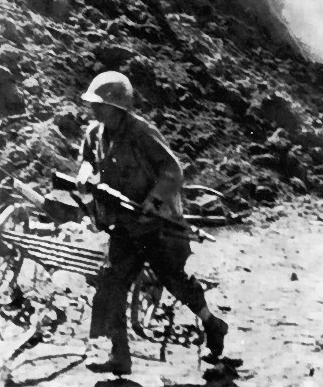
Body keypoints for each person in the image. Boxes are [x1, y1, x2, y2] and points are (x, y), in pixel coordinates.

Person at [77, 71, 228, 375]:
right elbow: (87, 159)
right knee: (111, 282)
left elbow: (172, 171)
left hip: (157, 226)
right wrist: (84, 171)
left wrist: (153, 204)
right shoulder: (96, 133)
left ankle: (213, 325)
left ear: (118, 108)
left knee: (175, 282)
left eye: (100, 105)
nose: (94, 110)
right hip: (124, 225)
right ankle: (120, 355)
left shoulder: (142, 134)